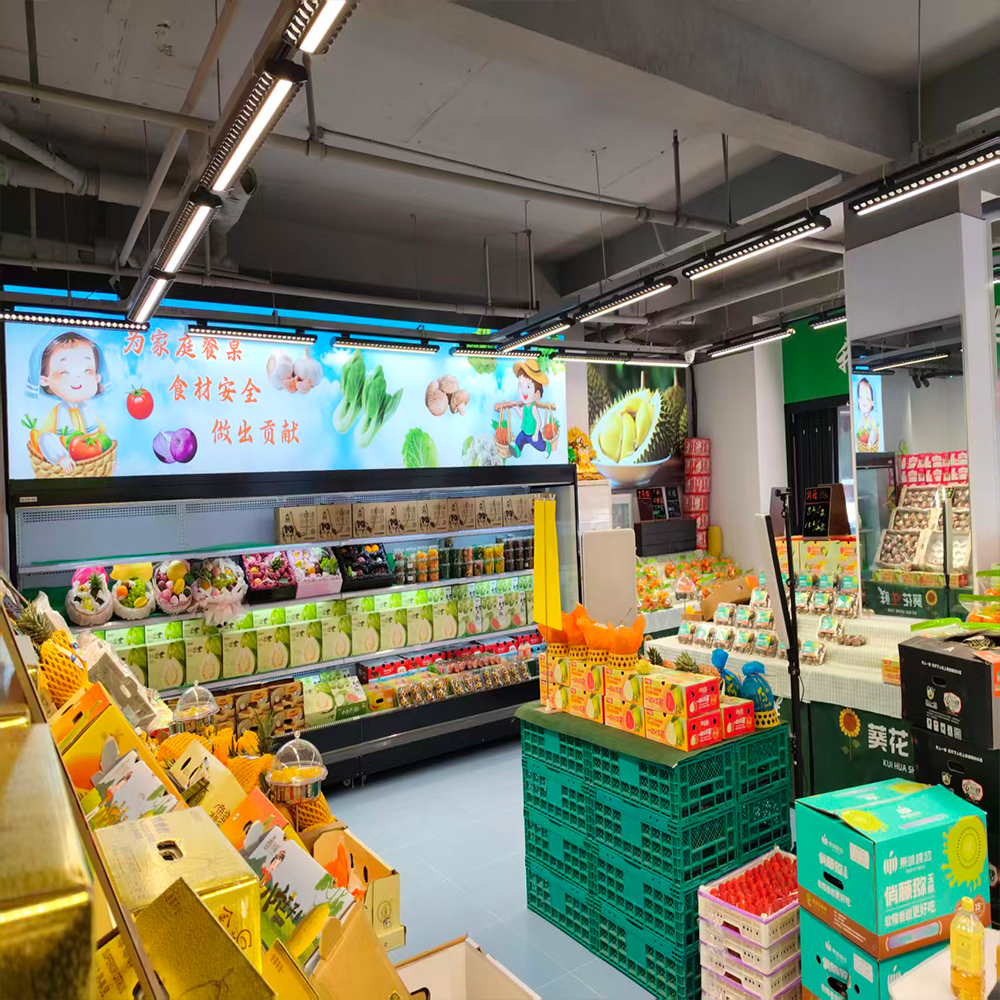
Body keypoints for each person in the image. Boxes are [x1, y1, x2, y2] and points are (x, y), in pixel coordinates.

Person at [27, 331, 109, 471]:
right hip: (67, 457)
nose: (78, 378)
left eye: (87, 371)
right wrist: (60, 457)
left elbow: (103, 435)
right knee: (45, 438)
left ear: (97, 377)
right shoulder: (56, 414)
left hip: (93, 457)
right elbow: (45, 440)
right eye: (65, 372)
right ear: (44, 380)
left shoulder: (89, 410)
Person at [509, 358, 551, 458]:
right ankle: (517, 451)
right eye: (520, 385)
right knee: (519, 441)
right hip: (524, 432)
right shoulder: (524, 406)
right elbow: (522, 416)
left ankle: (547, 447)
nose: (523, 390)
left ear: (537, 394)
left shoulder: (533, 407)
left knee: (539, 446)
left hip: (532, 434)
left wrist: (536, 433)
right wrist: (516, 408)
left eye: (528, 387)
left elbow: (538, 421)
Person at [855, 376, 879, 452]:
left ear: (872, 402)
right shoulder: (860, 417)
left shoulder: (872, 418)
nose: (864, 401)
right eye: (861, 397)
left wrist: (870, 441)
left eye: (867, 398)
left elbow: (874, 430)